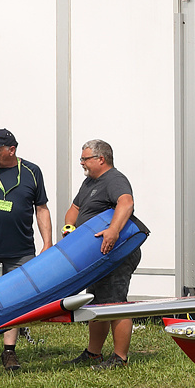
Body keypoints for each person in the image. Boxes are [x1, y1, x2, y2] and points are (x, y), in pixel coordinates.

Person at [0, 128, 53, 372]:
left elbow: (41, 208)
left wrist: (48, 243)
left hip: (20, 251)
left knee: (16, 301)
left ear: (11, 150)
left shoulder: (32, 172)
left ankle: (9, 352)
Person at [64, 139, 141, 369]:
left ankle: (120, 358)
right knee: (97, 303)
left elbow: (126, 203)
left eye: (85, 158)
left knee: (115, 303)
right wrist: (69, 227)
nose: (81, 163)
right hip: (97, 256)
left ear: (101, 159)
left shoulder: (115, 179)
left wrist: (113, 231)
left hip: (116, 253)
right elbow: (75, 209)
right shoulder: (89, 182)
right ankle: (93, 354)